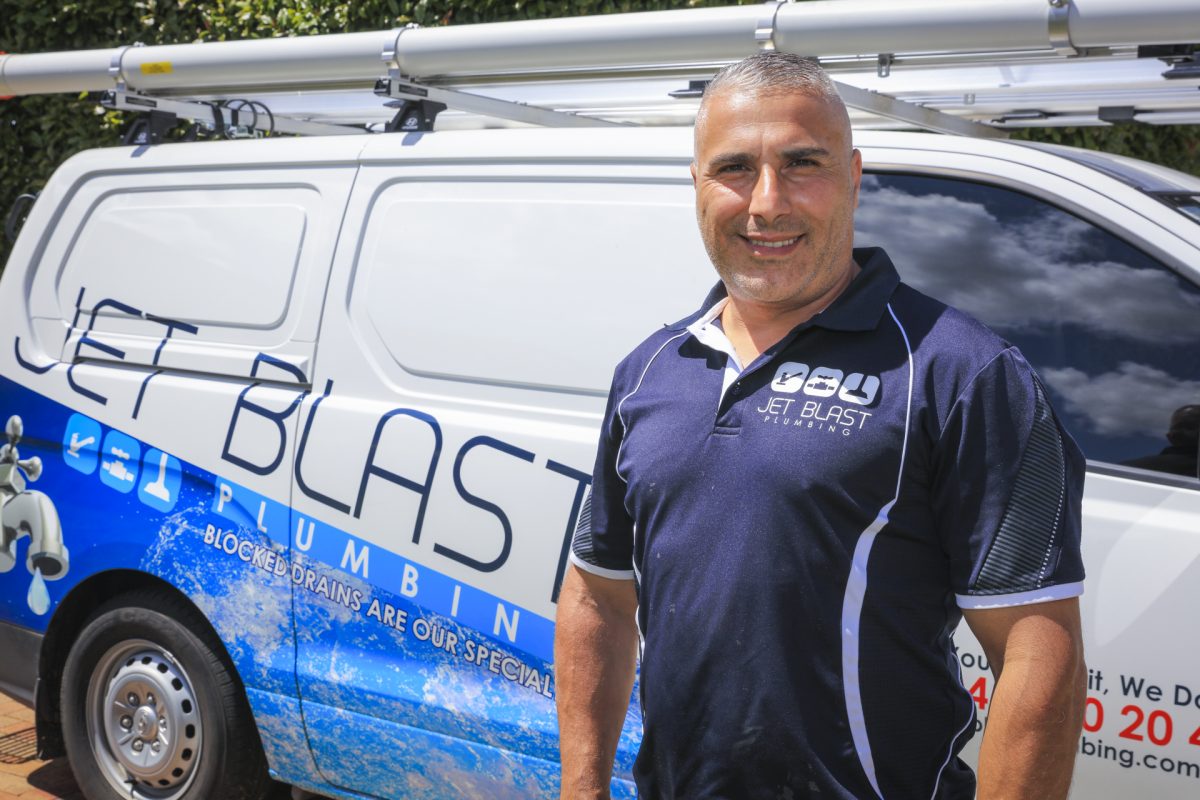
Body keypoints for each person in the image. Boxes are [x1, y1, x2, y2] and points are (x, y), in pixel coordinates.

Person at [554, 52, 1087, 800]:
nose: (767, 203)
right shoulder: (650, 370)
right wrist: (583, 788)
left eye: (802, 163)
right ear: (697, 185)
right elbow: (597, 596)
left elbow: (1038, 650)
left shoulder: (963, 371)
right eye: (734, 168)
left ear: (855, 177)